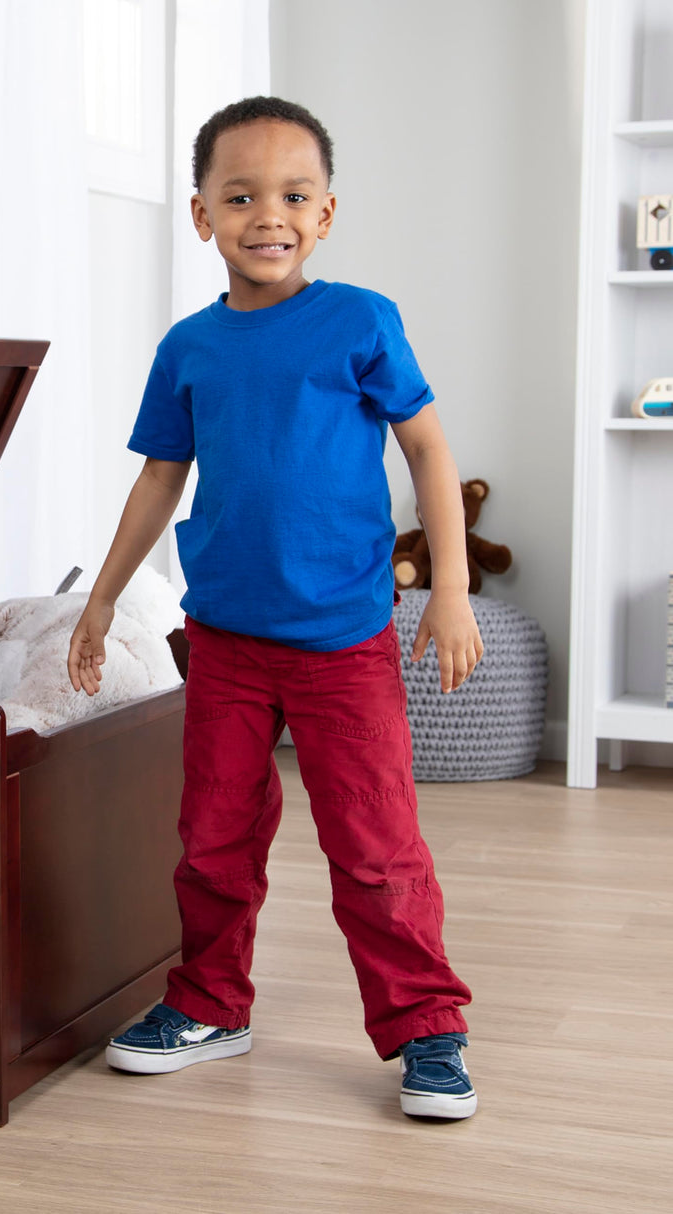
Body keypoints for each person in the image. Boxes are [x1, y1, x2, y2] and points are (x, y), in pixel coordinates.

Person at [67, 96, 480, 1120]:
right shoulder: (188, 347)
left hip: (341, 645)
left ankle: (426, 1025)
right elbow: (160, 479)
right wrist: (101, 596)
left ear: (325, 214)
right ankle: (209, 1001)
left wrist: (451, 587)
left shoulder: (358, 321)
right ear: (201, 215)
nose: (267, 215)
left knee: (375, 846)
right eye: (239, 194)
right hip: (224, 641)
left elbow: (425, 448)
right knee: (210, 836)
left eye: (292, 196)